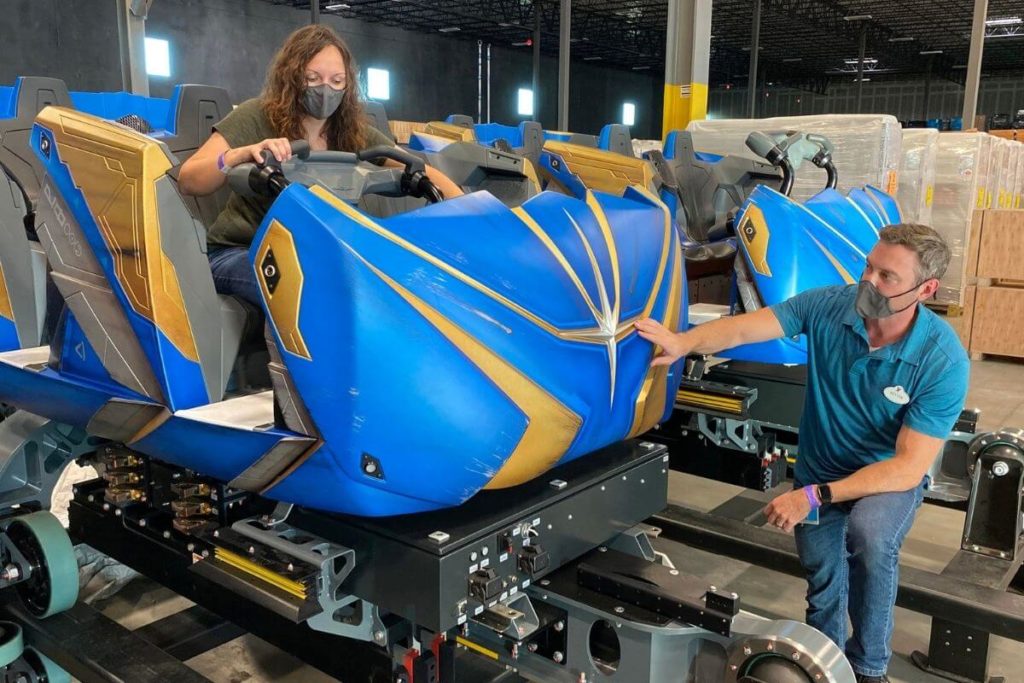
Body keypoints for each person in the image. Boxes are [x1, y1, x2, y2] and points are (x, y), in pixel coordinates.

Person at [635, 224, 969, 683]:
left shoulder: (940, 360)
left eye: (887, 277)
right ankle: (827, 666)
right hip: (823, 465)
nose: (868, 282)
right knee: (824, 575)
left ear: (926, 289)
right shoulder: (829, 306)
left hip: (885, 477)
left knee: (871, 538)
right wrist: (684, 342)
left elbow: (908, 467)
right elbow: (747, 328)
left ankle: (870, 668)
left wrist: (811, 496)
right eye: (868, 267)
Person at [178, 24, 462, 307]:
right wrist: (238, 155)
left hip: (317, 252)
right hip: (243, 251)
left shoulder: (351, 133)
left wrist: (466, 208)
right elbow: (189, 179)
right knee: (308, 290)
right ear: (291, 76)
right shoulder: (257, 116)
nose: (326, 90)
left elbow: (422, 171)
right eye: (313, 78)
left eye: (337, 81)